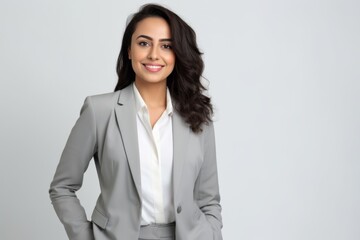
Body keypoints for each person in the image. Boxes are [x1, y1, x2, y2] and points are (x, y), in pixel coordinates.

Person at [49, 4, 222, 240]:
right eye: (144, 43)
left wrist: (211, 234)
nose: (154, 54)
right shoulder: (99, 111)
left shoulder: (197, 116)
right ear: (129, 50)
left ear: (177, 54)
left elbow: (208, 199)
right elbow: (62, 187)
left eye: (166, 46)